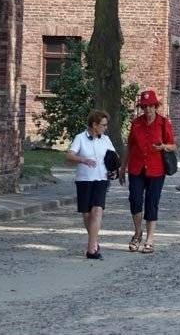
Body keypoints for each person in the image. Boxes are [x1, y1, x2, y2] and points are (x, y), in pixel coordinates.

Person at [122, 89, 175, 254]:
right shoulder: (136, 123)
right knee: (135, 200)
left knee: (152, 202)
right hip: (136, 167)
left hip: (156, 169)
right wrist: (123, 167)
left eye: (150, 106)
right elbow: (129, 146)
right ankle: (138, 233)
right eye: (144, 107)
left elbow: (173, 145)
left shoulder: (163, 123)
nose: (147, 110)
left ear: (155, 106)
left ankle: (150, 238)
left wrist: (163, 147)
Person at [67, 109, 116, 259]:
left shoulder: (106, 140)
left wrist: (113, 170)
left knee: (97, 211)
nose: (105, 127)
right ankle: (94, 241)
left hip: (101, 179)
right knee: (87, 214)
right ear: (94, 125)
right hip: (84, 180)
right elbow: (69, 155)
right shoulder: (80, 138)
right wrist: (83, 160)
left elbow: (113, 157)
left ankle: (91, 249)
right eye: (103, 125)